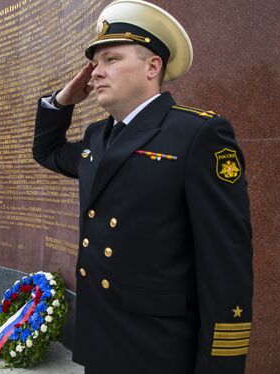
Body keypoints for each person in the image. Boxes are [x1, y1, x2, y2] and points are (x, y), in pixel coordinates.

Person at [32, 1, 253, 373]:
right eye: (94, 63)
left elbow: (225, 262)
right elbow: (47, 152)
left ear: (153, 67)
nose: (94, 73)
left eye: (111, 60)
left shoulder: (198, 134)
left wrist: (220, 364)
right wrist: (61, 100)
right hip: (101, 342)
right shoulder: (96, 137)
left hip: (158, 349)